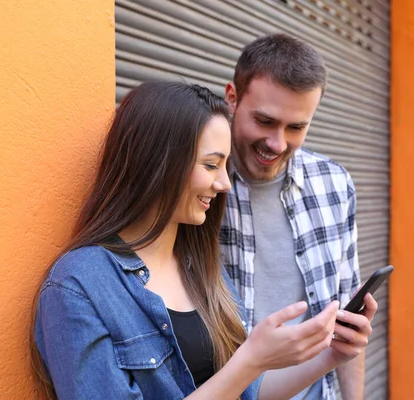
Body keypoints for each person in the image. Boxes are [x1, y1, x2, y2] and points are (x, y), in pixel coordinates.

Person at [30, 81, 372, 400]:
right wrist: (251, 360)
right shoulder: (78, 286)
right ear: (159, 163)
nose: (224, 183)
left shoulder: (199, 265)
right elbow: (242, 374)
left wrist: (330, 356)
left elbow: (248, 390)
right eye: (211, 165)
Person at [221, 34, 377, 400]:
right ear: (232, 97)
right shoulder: (198, 185)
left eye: (296, 128)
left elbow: (346, 319)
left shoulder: (334, 184)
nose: (277, 143)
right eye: (264, 121)